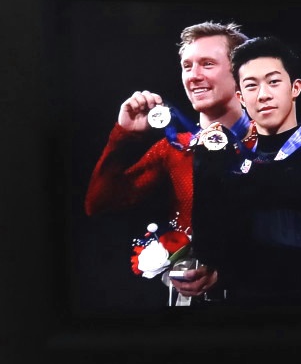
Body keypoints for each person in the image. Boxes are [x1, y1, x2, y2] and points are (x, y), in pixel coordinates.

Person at [84, 21, 253, 301]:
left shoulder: (271, 145)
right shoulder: (175, 148)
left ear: (241, 72)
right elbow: (99, 202)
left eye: (207, 64)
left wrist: (229, 271)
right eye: (187, 66)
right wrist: (123, 135)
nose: (194, 76)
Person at [191, 36, 301, 306]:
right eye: (251, 85)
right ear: (241, 97)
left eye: (273, 82)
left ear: (295, 87)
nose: (263, 95)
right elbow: (214, 254)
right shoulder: (232, 169)